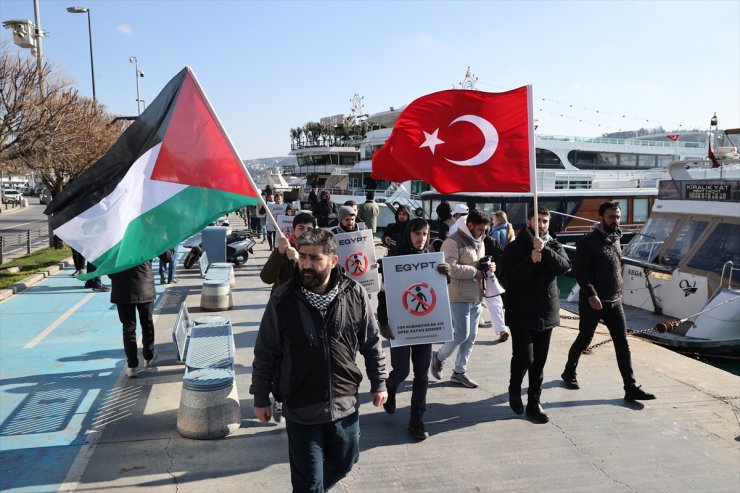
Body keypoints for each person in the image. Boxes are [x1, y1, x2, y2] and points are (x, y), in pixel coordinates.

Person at [250, 228, 388, 492]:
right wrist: (260, 396)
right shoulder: (283, 299)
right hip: (301, 407)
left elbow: (371, 343)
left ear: (333, 261)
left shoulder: (355, 293)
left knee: (346, 463)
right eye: (302, 257)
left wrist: (379, 381)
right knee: (308, 484)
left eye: (314, 258)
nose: (306, 264)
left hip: (345, 403)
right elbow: (265, 351)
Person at [561, 201, 656, 402]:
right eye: (612, 217)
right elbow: (579, 271)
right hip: (593, 302)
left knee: (623, 344)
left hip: (615, 302)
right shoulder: (588, 241)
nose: (616, 220)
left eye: (618, 216)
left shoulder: (615, 238)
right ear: (601, 217)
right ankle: (569, 372)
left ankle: (630, 387)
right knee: (585, 339)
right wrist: (591, 294)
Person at [377, 218, 451, 440]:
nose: (421, 238)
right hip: (400, 325)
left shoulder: (431, 260)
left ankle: (417, 419)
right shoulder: (394, 260)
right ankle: (390, 388)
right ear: (409, 234)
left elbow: (436, 292)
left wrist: (446, 276)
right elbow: (383, 295)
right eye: (417, 233)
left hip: (424, 327)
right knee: (401, 371)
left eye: (425, 234)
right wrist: (383, 322)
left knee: (421, 374)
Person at [501, 207, 571, 423]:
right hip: (521, 312)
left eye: (545, 221)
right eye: (538, 220)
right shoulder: (515, 247)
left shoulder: (553, 244)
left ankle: (534, 402)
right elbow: (508, 278)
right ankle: (514, 388)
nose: (542, 225)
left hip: (546, 312)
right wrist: (530, 259)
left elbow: (565, 267)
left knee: (539, 362)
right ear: (528, 221)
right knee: (525, 357)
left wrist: (546, 251)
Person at [430, 209, 491, 388]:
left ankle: (459, 372)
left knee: (471, 336)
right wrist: (476, 272)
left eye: (486, 230)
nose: (484, 233)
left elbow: (477, 263)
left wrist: (488, 267)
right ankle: (439, 357)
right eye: (481, 229)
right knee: (461, 334)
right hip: (458, 295)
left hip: (476, 295)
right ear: (470, 225)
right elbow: (448, 267)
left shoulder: (480, 241)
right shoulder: (452, 241)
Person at [109, 261, 157, 378]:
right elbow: (167, 257)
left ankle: (132, 366)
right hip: (144, 284)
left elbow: (109, 271)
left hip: (122, 288)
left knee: (128, 328)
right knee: (147, 323)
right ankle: (148, 356)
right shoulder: (146, 242)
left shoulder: (115, 243)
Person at [260, 212, 316, 295]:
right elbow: (267, 278)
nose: (305, 232)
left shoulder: (319, 252)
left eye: (309, 229)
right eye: (301, 228)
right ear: (293, 230)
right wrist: (279, 253)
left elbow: (319, 281)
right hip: (283, 302)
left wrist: (299, 260)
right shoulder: (284, 249)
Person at [482, 232, 509, 342]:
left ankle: (502, 329)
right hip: (469, 277)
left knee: (495, 302)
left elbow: (499, 257)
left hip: (488, 273)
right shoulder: (461, 240)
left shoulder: (491, 242)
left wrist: (494, 266)